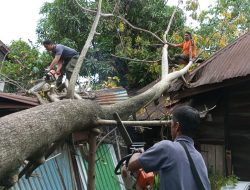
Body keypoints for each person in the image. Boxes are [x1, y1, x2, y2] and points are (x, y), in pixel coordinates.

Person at [128, 105, 211, 190]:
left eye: (171, 124)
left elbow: (131, 166)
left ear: (177, 126)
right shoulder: (199, 157)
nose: (170, 127)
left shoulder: (167, 148)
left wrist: (137, 152)